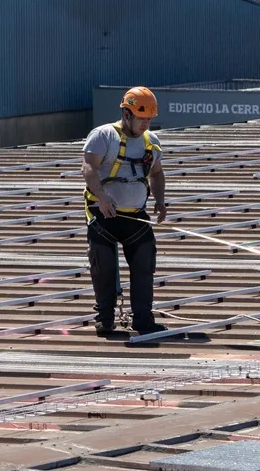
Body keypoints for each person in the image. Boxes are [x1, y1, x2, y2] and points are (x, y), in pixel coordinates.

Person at [81, 86, 169, 336]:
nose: (146, 123)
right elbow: (88, 169)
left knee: (144, 266)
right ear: (127, 114)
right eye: (142, 118)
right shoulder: (103, 136)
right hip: (104, 215)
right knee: (104, 268)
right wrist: (103, 197)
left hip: (136, 217)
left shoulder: (151, 141)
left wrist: (160, 201)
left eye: (150, 119)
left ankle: (143, 319)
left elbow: (157, 173)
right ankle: (105, 319)